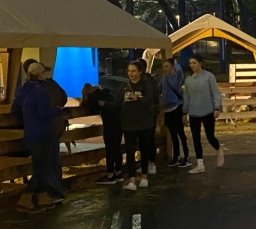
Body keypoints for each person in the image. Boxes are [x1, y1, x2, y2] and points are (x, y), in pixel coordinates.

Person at [13, 62, 65, 209]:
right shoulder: (40, 90)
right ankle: (26, 198)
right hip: (43, 133)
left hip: (30, 133)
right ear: (40, 74)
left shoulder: (25, 89)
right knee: (42, 168)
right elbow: (44, 113)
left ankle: (42, 197)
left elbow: (15, 108)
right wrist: (58, 111)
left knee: (39, 167)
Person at [121, 59, 160, 190]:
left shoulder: (146, 85)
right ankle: (131, 179)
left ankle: (144, 176)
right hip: (129, 123)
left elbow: (150, 100)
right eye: (129, 71)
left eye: (133, 71)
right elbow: (116, 102)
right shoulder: (124, 86)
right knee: (130, 151)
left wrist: (138, 99)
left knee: (144, 149)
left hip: (144, 123)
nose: (131, 74)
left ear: (140, 72)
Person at [182, 55, 224, 174]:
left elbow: (215, 93)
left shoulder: (208, 77)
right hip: (194, 112)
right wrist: (184, 112)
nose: (192, 65)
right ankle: (200, 163)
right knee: (196, 138)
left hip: (207, 111)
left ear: (201, 63)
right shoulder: (189, 80)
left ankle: (218, 149)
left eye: (194, 63)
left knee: (210, 136)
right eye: (190, 63)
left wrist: (217, 107)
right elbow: (186, 97)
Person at [81, 83, 123, 185]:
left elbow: (89, 108)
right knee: (117, 148)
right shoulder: (107, 94)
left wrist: (85, 101)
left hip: (109, 125)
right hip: (119, 123)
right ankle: (118, 172)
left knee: (110, 149)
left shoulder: (94, 98)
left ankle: (110, 175)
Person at [161, 58, 190, 168]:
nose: (165, 68)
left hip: (176, 106)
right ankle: (176, 156)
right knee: (172, 134)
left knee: (180, 133)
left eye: (167, 66)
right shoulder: (164, 79)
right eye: (164, 66)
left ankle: (186, 157)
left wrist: (176, 64)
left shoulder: (177, 78)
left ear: (172, 66)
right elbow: (160, 90)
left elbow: (180, 73)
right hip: (167, 108)